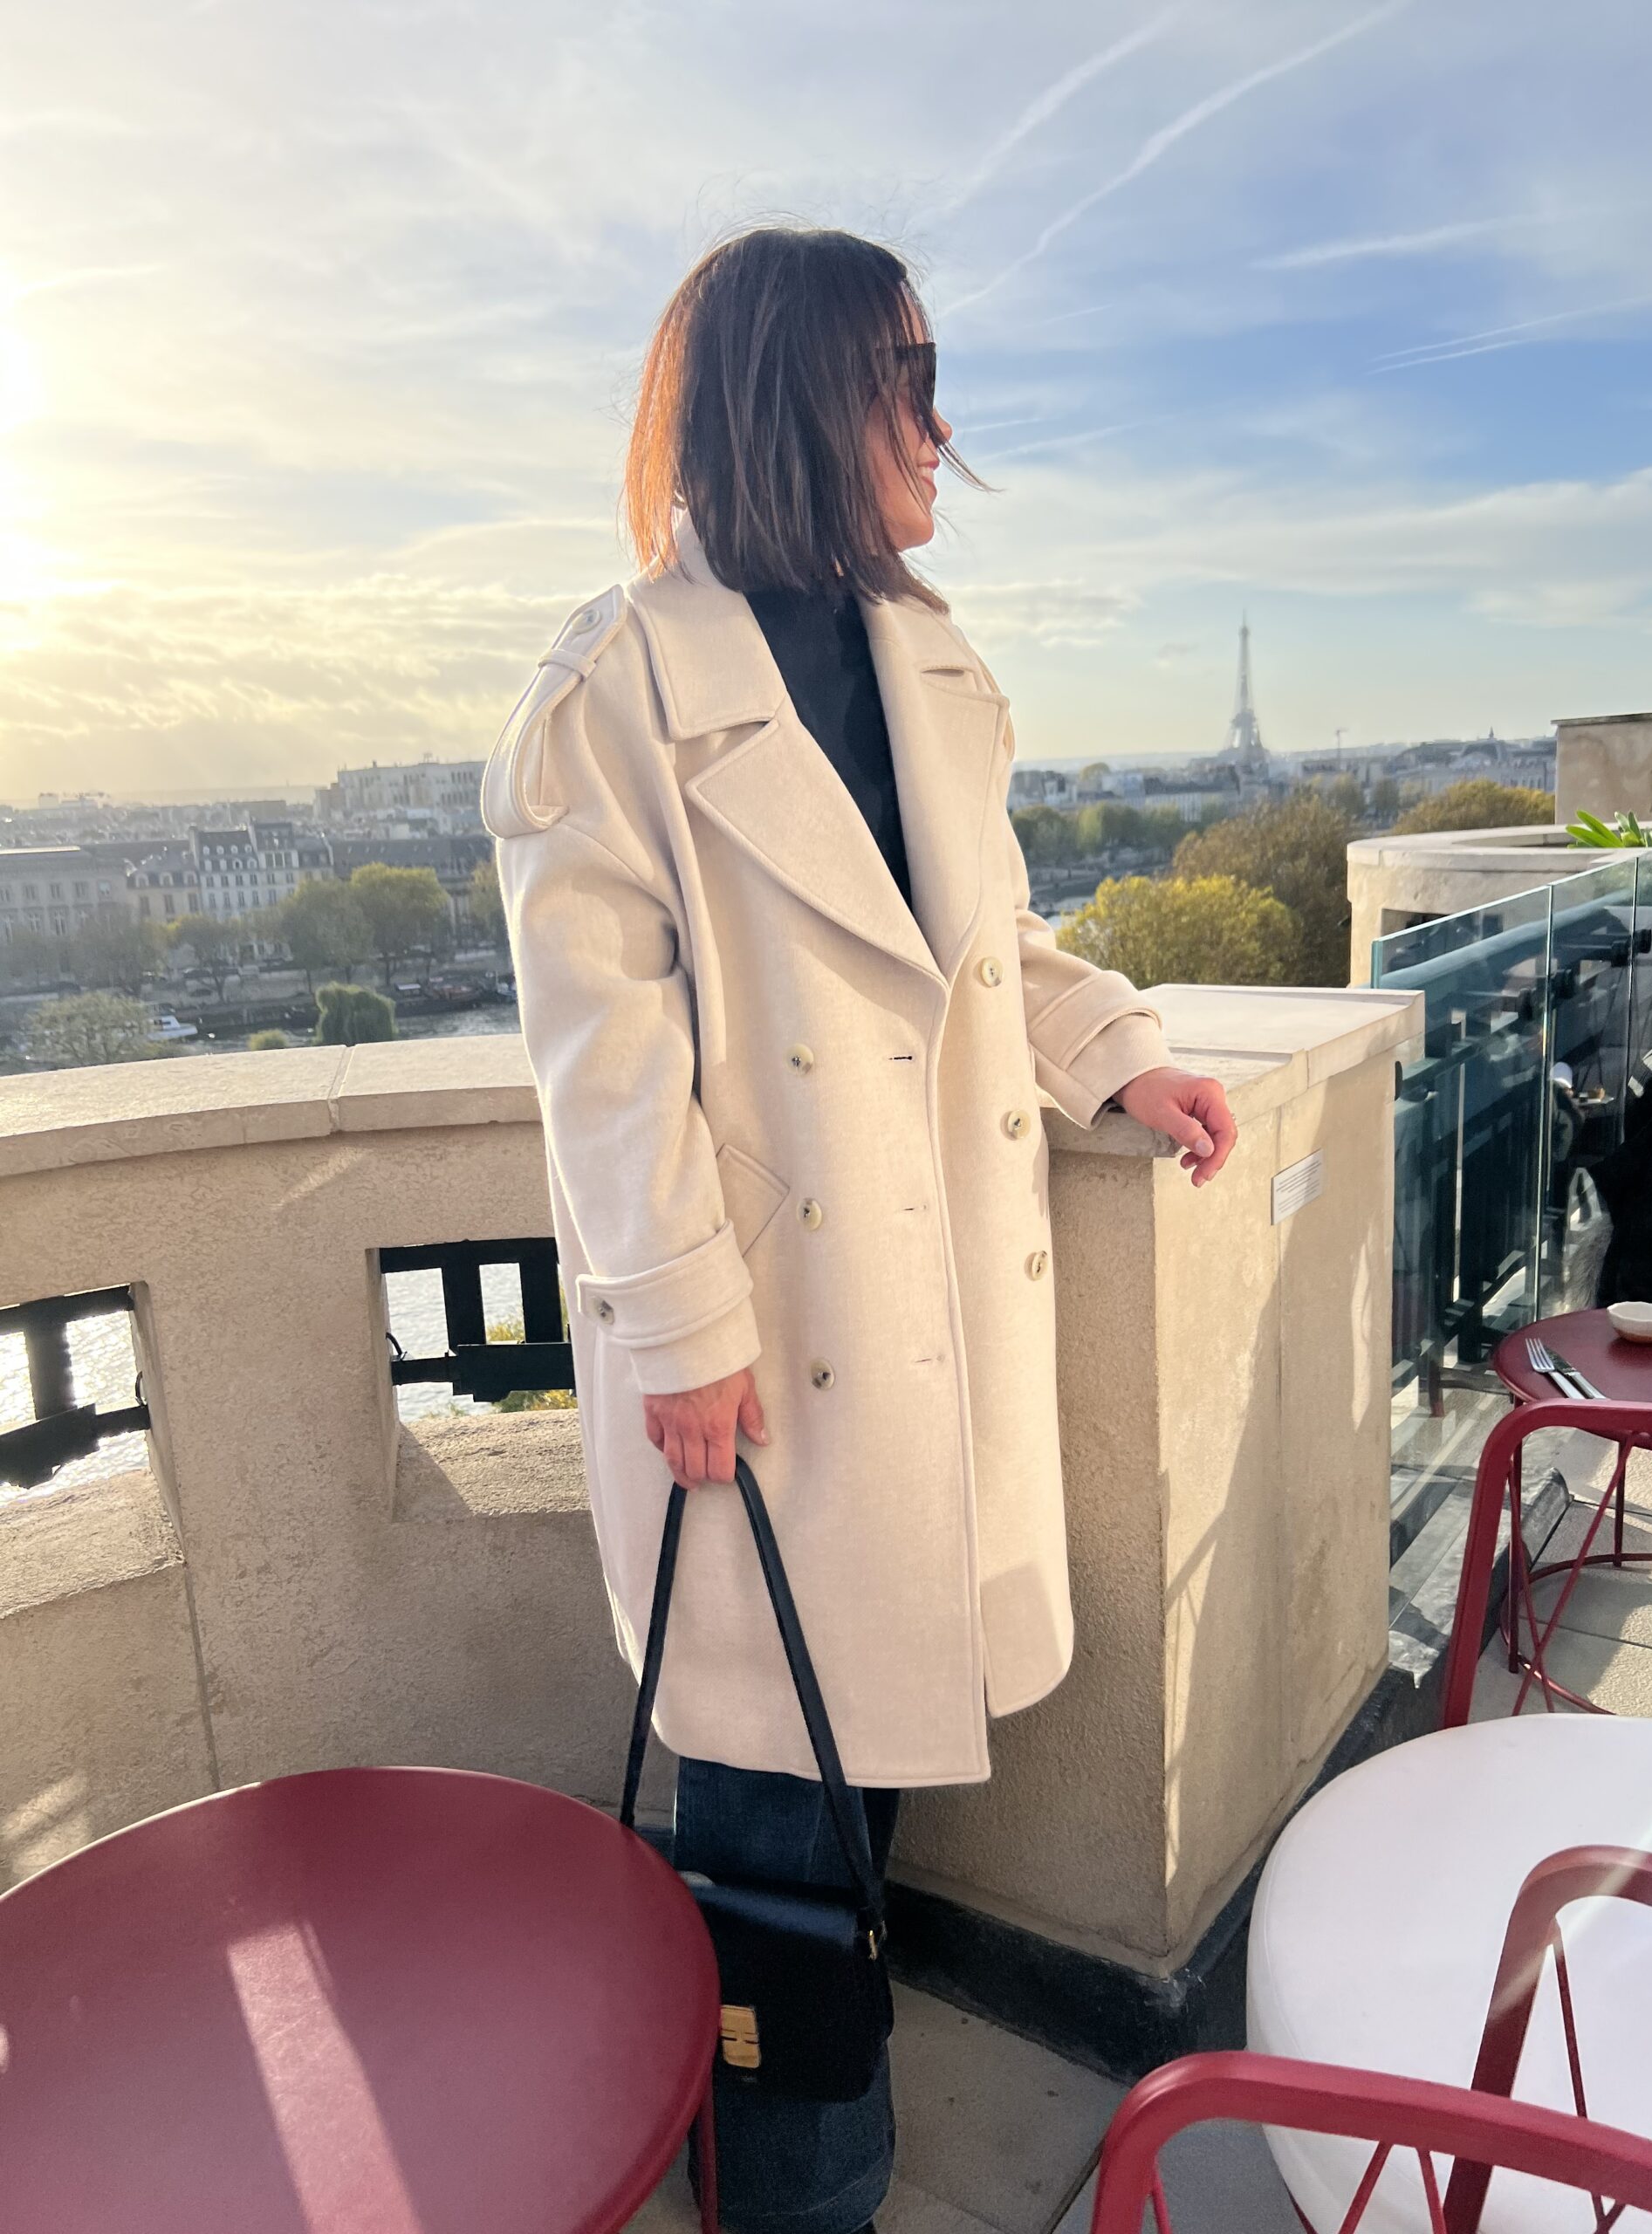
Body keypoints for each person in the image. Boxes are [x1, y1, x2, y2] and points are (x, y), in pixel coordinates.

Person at [482, 224, 1237, 2234]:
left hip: (914, 1339)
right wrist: (676, 1322)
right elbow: (603, 1053)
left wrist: (1118, 1055)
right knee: (769, 1829)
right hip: (762, 1354)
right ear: (809, 392)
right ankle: (796, 2193)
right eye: (910, 370)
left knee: (847, 1789)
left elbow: (982, 938)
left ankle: (814, 2156)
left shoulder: (930, 662)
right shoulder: (614, 687)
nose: (941, 417)